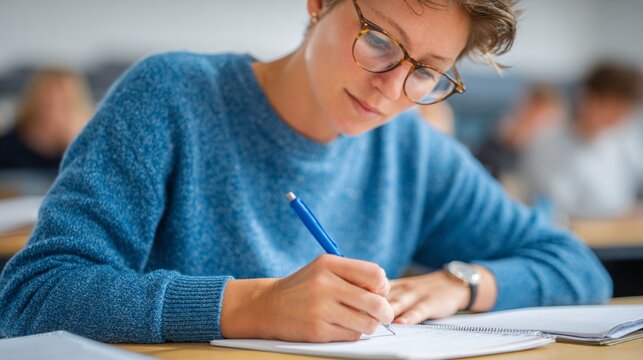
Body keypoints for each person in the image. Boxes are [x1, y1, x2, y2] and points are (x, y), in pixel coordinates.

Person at [0, 0, 611, 344]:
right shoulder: (170, 96)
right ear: (319, 4)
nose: (393, 89)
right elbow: (31, 296)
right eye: (378, 41)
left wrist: (463, 283)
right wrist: (246, 305)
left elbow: (578, 267)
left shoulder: (413, 152)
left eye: (426, 70)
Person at [523, 62, 643, 219]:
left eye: (625, 111)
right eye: (614, 107)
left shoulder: (621, 142)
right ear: (589, 98)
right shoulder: (547, 143)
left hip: (621, 236)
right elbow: (558, 208)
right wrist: (622, 213)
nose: (618, 118)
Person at [0, 68, 94, 170]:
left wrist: (77, 146)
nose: (53, 114)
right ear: (33, 102)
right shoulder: (6, 147)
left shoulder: (85, 153)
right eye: (48, 104)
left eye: (62, 106)